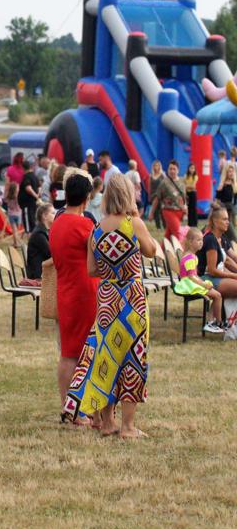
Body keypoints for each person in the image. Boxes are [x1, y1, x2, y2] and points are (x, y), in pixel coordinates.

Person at [64, 174, 155, 439]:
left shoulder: (97, 229)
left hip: (107, 298)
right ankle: (127, 427)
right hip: (132, 298)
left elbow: (92, 269)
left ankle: (106, 422)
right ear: (128, 195)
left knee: (107, 358)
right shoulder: (134, 224)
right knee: (132, 359)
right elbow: (151, 250)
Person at [49, 173, 97, 421]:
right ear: (87, 199)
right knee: (85, 352)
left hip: (65, 291)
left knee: (68, 353)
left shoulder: (57, 222)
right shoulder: (84, 226)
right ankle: (80, 409)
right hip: (85, 293)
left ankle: (68, 407)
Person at [176, 228, 225, 334]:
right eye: (198, 240)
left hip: (191, 281)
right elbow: (191, 277)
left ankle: (212, 322)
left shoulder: (192, 255)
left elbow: (194, 275)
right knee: (217, 296)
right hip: (189, 284)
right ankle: (217, 322)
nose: (201, 243)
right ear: (190, 241)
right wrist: (203, 284)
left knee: (216, 295)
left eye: (202, 240)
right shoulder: (190, 257)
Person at [197, 205, 237, 299]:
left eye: (228, 219)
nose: (228, 222)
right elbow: (212, 270)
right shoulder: (210, 239)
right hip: (205, 279)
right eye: (224, 219)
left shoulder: (221, 238)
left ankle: (221, 313)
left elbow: (229, 259)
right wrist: (233, 275)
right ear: (215, 221)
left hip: (214, 277)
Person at [150, 159, 186, 240]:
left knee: (168, 235)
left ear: (178, 170)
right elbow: (157, 198)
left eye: (174, 169)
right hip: (168, 210)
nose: (172, 171)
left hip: (179, 211)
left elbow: (183, 197)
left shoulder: (182, 181)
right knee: (177, 234)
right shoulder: (164, 182)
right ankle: (181, 250)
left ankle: (162, 250)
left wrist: (185, 208)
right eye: (170, 169)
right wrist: (151, 213)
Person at [26, 203, 54, 280]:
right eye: (52, 213)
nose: (55, 215)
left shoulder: (43, 231)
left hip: (42, 271)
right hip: (37, 275)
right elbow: (51, 254)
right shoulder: (39, 234)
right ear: (44, 216)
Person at [18, 160, 40, 232]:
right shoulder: (35, 176)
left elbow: (28, 188)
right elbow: (39, 187)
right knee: (33, 221)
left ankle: (29, 240)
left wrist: (36, 196)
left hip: (27, 204)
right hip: (34, 203)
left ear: (23, 168)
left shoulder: (26, 177)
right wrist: (38, 195)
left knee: (28, 224)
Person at [4, 181, 22, 247]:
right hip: (18, 214)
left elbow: (5, 201)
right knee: (18, 230)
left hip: (11, 214)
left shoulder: (8, 197)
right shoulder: (18, 197)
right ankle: (18, 242)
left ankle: (15, 243)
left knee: (14, 230)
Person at [149, 160, 165, 228]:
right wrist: (149, 195)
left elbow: (165, 185)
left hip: (161, 195)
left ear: (160, 167)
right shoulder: (151, 175)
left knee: (162, 211)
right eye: (155, 165)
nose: (156, 167)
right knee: (155, 212)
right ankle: (158, 226)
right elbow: (149, 186)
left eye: (157, 165)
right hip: (153, 195)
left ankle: (165, 226)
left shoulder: (163, 175)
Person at [184, 163, 198, 228]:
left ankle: (194, 223)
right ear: (188, 169)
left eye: (193, 168)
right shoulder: (186, 176)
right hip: (188, 194)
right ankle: (190, 223)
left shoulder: (195, 176)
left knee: (193, 208)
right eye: (191, 168)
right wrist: (188, 187)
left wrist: (188, 186)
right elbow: (184, 186)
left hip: (193, 193)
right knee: (189, 208)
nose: (192, 170)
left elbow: (193, 186)